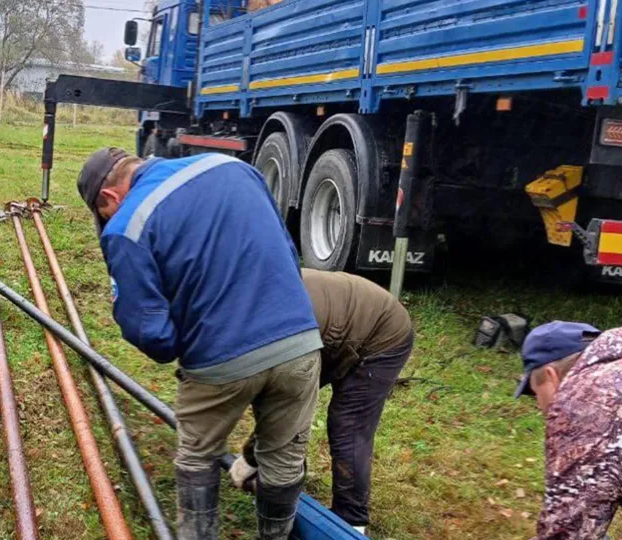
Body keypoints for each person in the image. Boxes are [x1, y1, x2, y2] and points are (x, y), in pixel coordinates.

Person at [77, 148, 323, 539]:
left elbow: (152, 334)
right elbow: (288, 254)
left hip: (220, 360)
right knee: (284, 459)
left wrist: (185, 338)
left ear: (108, 199)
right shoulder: (232, 166)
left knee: (197, 457)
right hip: (299, 342)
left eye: (101, 214)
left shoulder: (126, 226)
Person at [229, 268, 414, 534]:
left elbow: (283, 404)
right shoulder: (246, 307)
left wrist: (251, 460)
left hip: (381, 331)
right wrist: (253, 459)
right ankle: (285, 478)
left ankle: (351, 522)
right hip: (332, 329)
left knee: (348, 425)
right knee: (285, 408)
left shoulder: (268, 329)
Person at [514, 321, 622, 539]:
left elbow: (571, 529)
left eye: (535, 392)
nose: (539, 406)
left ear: (550, 375)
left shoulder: (587, 399)